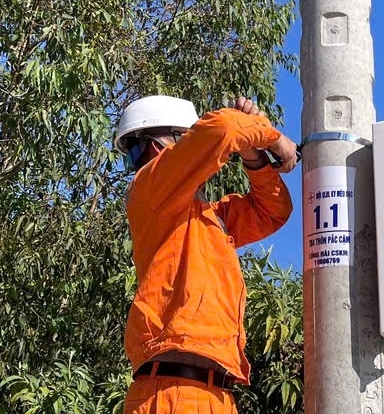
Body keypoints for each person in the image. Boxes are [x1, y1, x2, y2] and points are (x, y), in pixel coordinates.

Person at [113, 94, 298, 413]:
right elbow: (225, 128)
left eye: (136, 148)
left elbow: (273, 211)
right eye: (134, 153)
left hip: (218, 394)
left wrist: (253, 153)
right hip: (173, 391)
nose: (141, 160)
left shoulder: (210, 218)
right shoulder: (148, 189)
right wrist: (272, 135)